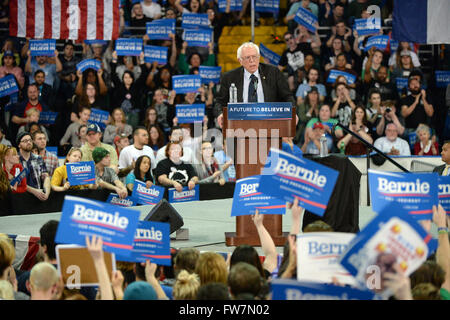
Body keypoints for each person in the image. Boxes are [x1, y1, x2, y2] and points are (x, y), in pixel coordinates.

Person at [214, 42, 295, 125]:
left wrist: (293, 112)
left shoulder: (273, 73)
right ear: (240, 61)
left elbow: (287, 96)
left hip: (269, 122)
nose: (252, 60)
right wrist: (220, 114)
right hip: (240, 123)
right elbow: (219, 102)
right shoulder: (229, 77)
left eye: (254, 57)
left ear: (259, 58)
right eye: (247, 57)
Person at [17, 132, 51, 201]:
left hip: (37, 198)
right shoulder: (15, 159)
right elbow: (16, 182)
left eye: (30, 140)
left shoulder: (38, 158)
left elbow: (46, 177)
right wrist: (34, 191)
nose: (29, 142)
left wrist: (47, 193)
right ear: (19, 145)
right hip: (20, 199)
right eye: (25, 141)